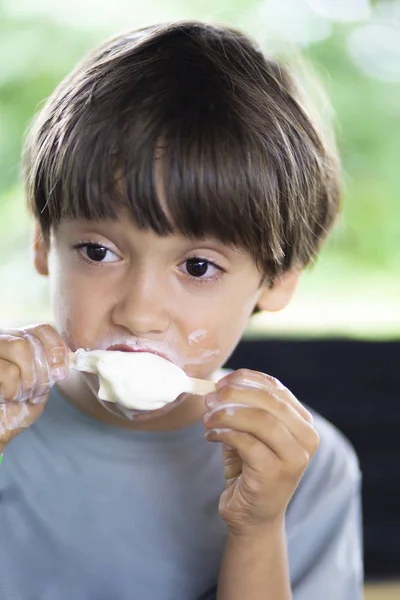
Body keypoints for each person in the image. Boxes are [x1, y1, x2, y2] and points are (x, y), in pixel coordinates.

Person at [0, 21, 362, 600]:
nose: (140, 313)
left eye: (197, 267)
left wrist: (257, 526)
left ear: (276, 282)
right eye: (98, 251)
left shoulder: (306, 468)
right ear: (43, 244)